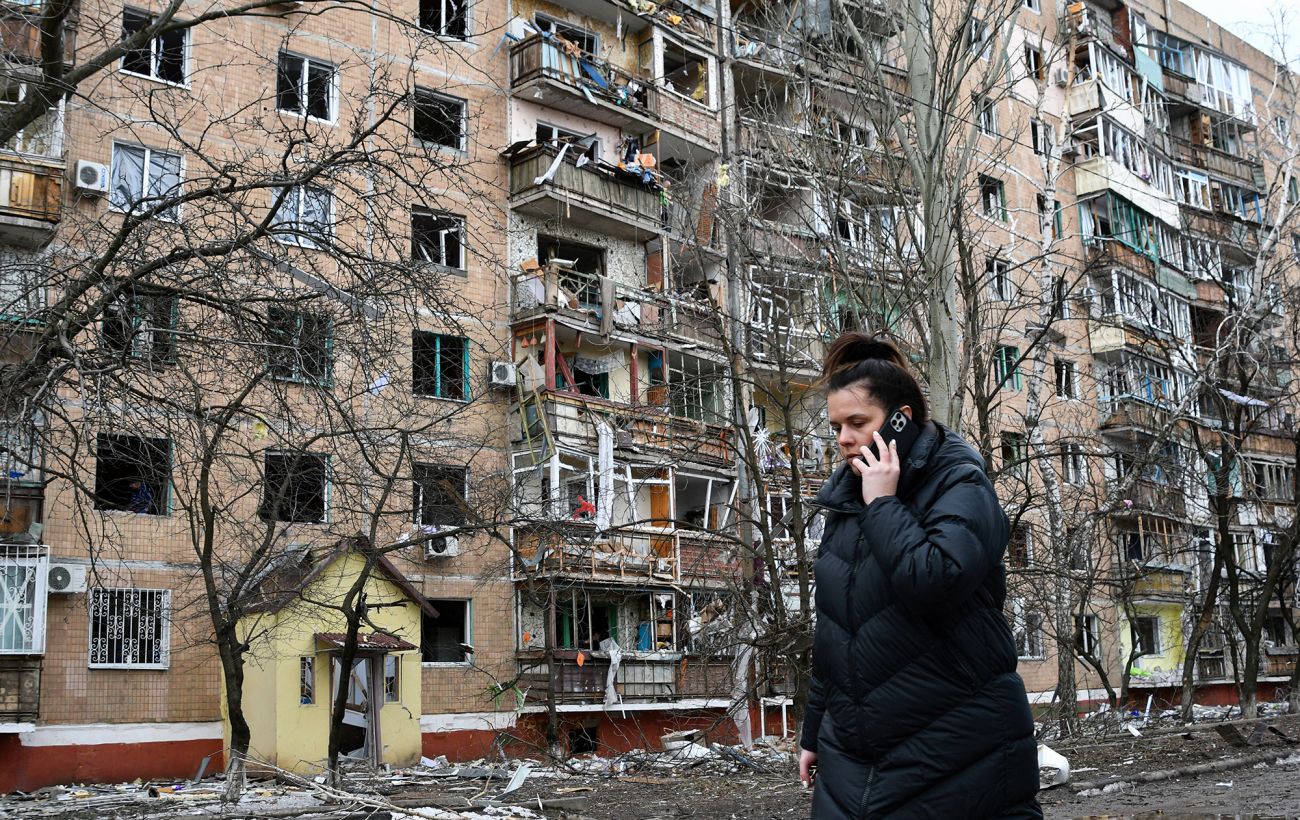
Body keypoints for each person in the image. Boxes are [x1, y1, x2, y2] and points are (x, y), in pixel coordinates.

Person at [798, 333, 1041, 819]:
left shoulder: (959, 481)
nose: (843, 438)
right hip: (852, 755)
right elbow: (836, 629)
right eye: (836, 426)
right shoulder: (847, 500)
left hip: (956, 745)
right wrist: (814, 731)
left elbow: (935, 581)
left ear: (901, 419)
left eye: (857, 423)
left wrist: (884, 505)